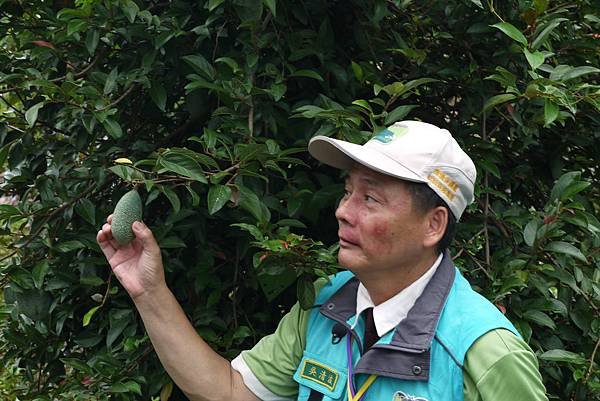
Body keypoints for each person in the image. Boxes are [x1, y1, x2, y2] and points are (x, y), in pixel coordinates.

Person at [97, 120, 548, 401]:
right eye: (348, 190)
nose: (343, 210)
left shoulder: (483, 353)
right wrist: (148, 289)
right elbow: (231, 393)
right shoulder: (325, 306)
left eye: (370, 197)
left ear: (433, 225)